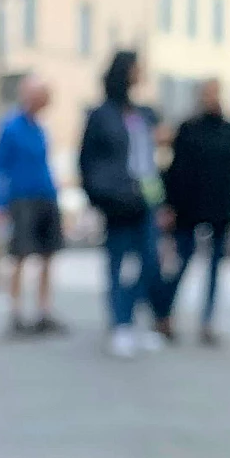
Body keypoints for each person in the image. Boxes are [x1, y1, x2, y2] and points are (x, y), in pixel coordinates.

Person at [79, 51, 174, 358]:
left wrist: (162, 201)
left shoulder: (143, 113)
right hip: (118, 200)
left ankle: (132, 320)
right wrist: (97, 195)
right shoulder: (102, 115)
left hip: (147, 197)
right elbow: (88, 160)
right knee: (119, 264)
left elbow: (150, 159)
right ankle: (120, 324)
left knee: (150, 263)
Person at [161, 79, 230, 346]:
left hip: (219, 208)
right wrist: (171, 206)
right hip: (190, 208)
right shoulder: (189, 129)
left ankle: (207, 321)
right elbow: (176, 170)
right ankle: (165, 314)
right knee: (182, 261)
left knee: (214, 268)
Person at [0, 75, 67, 335]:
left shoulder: (40, 129)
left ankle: (44, 310)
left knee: (47, 255)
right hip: (22, 198)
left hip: (45, 195)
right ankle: (16, 312)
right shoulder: (11, 127)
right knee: (20, 255)